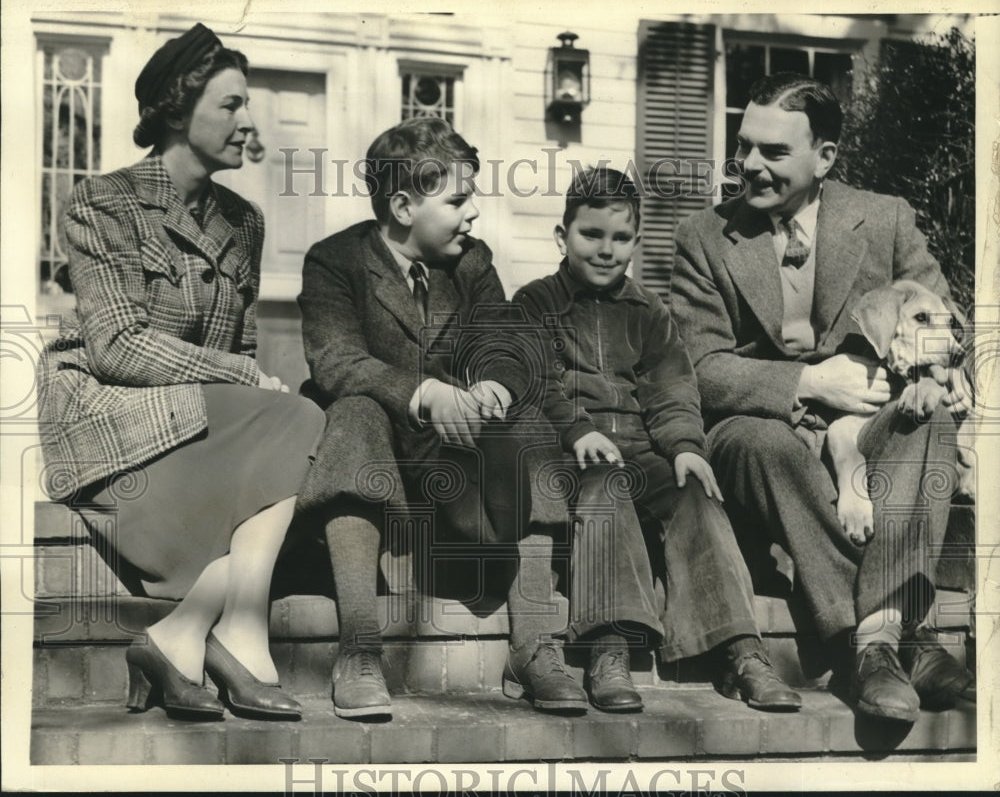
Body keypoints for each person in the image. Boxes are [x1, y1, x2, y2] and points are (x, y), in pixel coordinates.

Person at [36, 23, 325, 722]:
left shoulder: (244, 222)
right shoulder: (101, 202)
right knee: (300, 419)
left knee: (306, 423)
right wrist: (238, 376)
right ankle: (232, 634)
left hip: (197, 428)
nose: (249, 122)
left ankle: (189, 630)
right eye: (230, 105)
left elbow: (247, 351)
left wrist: (244, 382)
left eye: (247, 105)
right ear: (175, 107)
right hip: (112, 426)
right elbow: (116, 345)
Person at [670, 72, 974, 723]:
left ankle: (877, 639)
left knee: (930, 418)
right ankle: (881, 641)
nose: (749, 164)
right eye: (744, 145)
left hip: (867, 420)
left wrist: (931, 364)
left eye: (773, 152)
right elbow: (699, 365)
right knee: (763, 442)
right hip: (759, 425)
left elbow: (943, 322)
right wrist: (810, 381)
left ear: (825, 157)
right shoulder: (704, 237)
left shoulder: (885, 219)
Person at [296, 116, 594, 719]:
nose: (472, 214)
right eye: (457, 200)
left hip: (457, 480)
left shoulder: (472, 263)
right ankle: (358, 649)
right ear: (403, 205)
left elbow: (511, 344)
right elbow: (336, 361)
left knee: (531, 424)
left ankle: (535, 646)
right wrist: (425, 392)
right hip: (372, 470)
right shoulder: (335, 262)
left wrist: (491, 387)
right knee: (352, 411)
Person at [512, 167, 802, 713]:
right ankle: (609, 645)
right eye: (590, 235)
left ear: (636, 243)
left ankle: (739, 647)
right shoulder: (535, 304)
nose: (605, 250)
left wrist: (687, 446)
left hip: (644, 449)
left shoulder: (649, 312)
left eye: (621, 239)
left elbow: (671, 388)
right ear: (562, 236)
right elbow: (534, 382)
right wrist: (578, 430)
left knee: (697, 493)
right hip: (572, 456)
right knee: (606, 488)